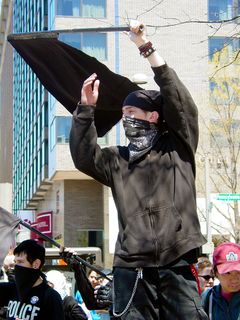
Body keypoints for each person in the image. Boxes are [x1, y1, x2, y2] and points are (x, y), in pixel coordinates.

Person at [69, 19, 207, 319]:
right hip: (131, 270)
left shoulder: (177, 149)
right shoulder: (117, 159)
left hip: (177, 264)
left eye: (131, 112)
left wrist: (146, 47)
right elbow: (83, 157)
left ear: (153, 116)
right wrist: (85, 110)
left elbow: (181, 105)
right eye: (123, 114)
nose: (126, 119)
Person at [0, 239, 64, 320]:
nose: (16, 267)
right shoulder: (10, 289)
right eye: (15, 262)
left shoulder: (50, 297)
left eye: (20, 262)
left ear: (36, 264)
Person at [202, 242, 240, 319]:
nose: (234, 279)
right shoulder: (207, 297)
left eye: (239, 272)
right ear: (216, 273)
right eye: (227, 273)